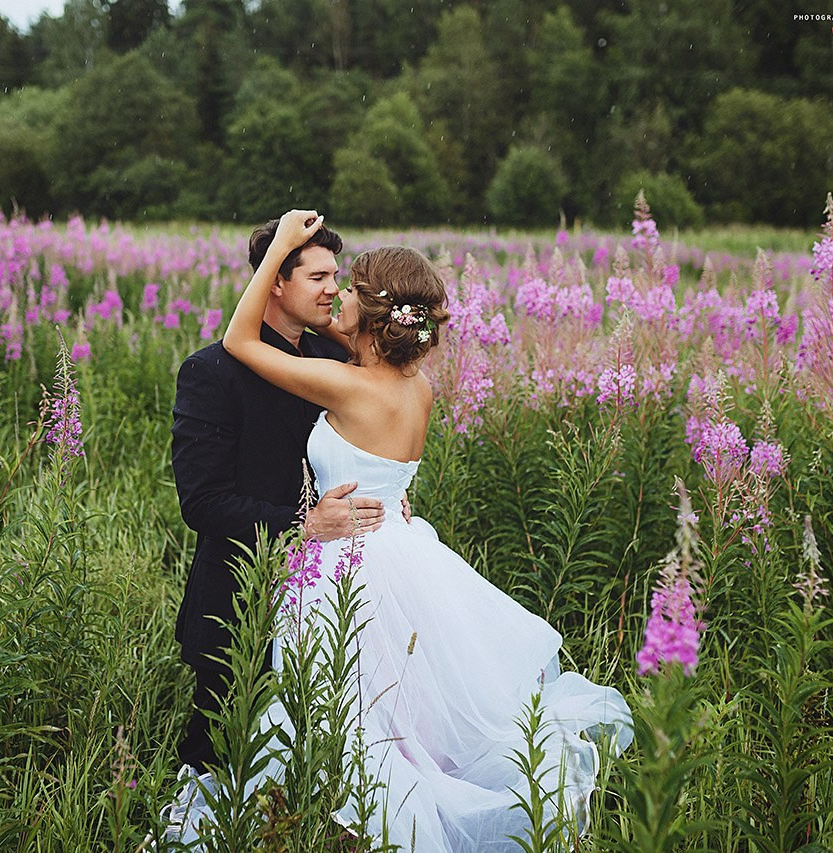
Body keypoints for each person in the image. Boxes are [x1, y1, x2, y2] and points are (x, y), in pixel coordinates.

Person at [221, 210, 634, 851]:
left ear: (376, 311)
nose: (338, 295)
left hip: (352, 564)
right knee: (404, 715)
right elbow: (391, 474)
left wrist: (278, 248)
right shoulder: (416, 389)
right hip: (406, 546)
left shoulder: (350, 386)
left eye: (350, 288)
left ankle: (381, 830)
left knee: (358, 718)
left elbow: (240, 343)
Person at [166, 215, 399, 840]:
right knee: (221, 747)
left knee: (318, 744)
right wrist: (303, 524)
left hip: (333, 592)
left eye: (335, 276)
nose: (332, 289)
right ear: (274, 281)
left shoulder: (333, 357)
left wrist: (390, 496)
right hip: (241, 589)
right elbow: (204, 503)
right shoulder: (211, 372)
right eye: (317, 275)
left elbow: (373, 436)